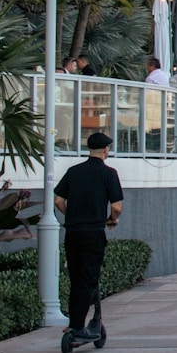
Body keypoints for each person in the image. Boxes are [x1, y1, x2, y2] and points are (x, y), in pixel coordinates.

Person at [54, 132, 123, 341]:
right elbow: (117, 207)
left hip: (72, 232)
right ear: (105, 150)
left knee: (76, 279)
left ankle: (76, 322)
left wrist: (73, 215)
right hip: (93, 232)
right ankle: (77, 327)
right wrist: (111, 220)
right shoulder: (109, 173)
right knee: (88, 278)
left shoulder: (73, 172)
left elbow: (58, 200)